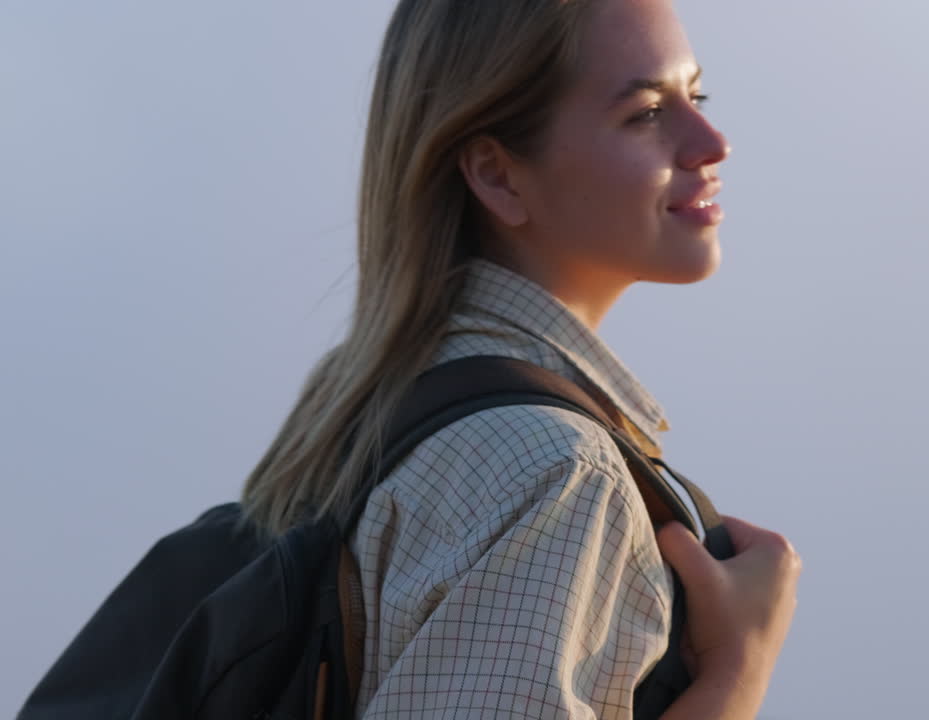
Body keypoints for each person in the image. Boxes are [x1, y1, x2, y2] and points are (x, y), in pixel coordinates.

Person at [239, 0, 801, 717]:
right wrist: (735, 674)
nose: (711, 143)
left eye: (698, 96)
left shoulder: (365, 404)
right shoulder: (558, 472)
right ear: (498, 175)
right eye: (647, 113)